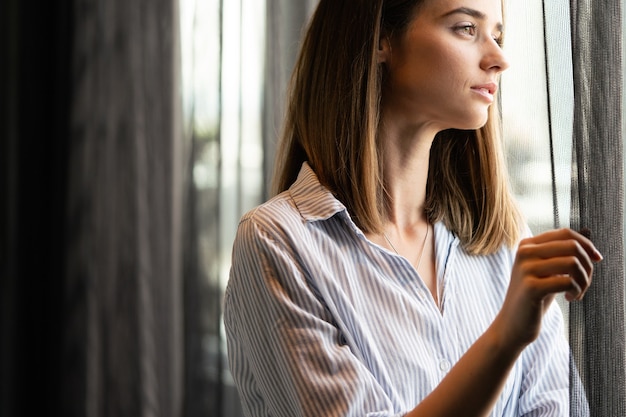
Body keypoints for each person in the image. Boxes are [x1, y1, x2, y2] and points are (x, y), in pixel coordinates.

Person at [223, 0, 602, 416]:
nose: (498, 59)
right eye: (465, 29)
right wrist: (504, 339)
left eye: (497, 35)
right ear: (382, 39)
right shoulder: (277, 243)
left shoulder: (506, 241)